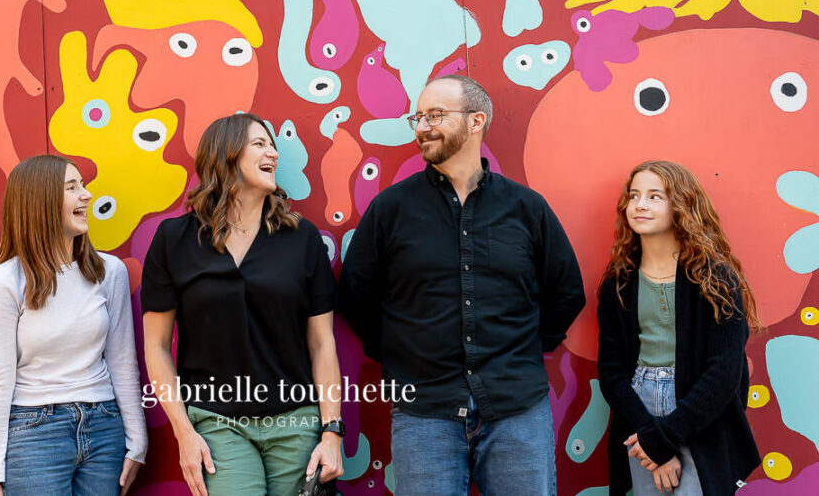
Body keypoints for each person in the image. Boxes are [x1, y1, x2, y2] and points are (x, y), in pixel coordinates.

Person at [340, 74, 585, 496]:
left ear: (476, 122)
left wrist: (525, 347)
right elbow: (356, 295)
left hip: (516, 410)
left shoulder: (527, 209)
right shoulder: (391, 210)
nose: (422, 126)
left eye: (435, 115)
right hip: (424, 413)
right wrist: (401, 351)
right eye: (417, 117)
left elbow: (566, 292)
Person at [141, 113, 343, 496]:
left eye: (273, 146)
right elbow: (156, 346)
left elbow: (322, 343)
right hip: (216, 422)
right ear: (227, 155)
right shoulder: (174, 240)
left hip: (295, 421)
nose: (273, 153)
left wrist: (332, 432)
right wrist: (184, 434)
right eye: (260, 144)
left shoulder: (301, 238)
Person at [0, 155, 146, 496]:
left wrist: (137, 442)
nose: (86, 195)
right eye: (72, 188)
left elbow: (122, 362)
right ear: (39, 201)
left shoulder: (108, 271)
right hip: (33, 431)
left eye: (82, 185)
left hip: (103, 428)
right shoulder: (6, 281)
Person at [597, 160, 760, 495]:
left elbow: (724, 372)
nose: (639, 205)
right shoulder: (619, 282)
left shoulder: (714, 280)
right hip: (638, 408)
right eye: (634, 195)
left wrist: (666, 437)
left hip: (698, 409)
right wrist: (650, 439)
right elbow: (612, 372)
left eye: (655, 196)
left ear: (682, 206)